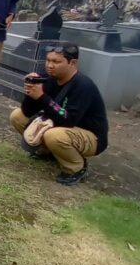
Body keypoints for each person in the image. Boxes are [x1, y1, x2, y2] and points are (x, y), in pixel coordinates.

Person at [9, 43, 109, 186]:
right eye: (48, 60)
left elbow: (69, 119)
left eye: (56, 62)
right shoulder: (49, 79)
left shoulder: (83, 86)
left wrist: (42, 97)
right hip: (60, 124)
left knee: (54, 135)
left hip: (91, 136)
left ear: (72, 63)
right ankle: (47, 152)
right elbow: (27, 112)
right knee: (17, 116)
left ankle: (76, 167)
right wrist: (31, 93)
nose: (50, 65)